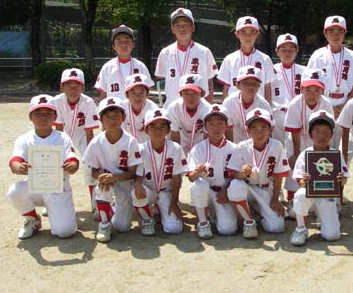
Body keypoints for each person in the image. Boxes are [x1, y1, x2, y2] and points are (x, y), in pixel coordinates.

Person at [7, 95, 78, 239]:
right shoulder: (24, 138)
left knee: (65, 232)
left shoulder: (62, 137)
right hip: (35, 186)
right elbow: (14, 161)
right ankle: (33, 219)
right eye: (38, 113)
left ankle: (55, 211)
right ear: (30, 117)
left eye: (48, 113)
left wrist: (72, 165)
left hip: (58, 188)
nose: (43, 117)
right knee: (14, 191)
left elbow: (72, 159)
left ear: (55, 117)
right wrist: (18, 167)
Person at [83, 97, 142, 242]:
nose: (112, 120)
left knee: (122, 227)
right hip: (106, 182)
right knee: (103, 188)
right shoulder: (96, 142)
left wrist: (115, 177)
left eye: (116, 116)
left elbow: (132, 172)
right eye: (107, 117)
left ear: (123, 117)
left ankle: (113, 209)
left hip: (124, 183)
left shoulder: (131, 141)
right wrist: (100, 177)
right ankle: (104, 224)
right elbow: (93, 169)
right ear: (101, 120)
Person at [226, 109, 290, 239]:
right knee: (235, 185)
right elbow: (233, 174)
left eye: (263, 128)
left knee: (276, 227)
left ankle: (257, 210)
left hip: (266, 188)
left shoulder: (277, 146)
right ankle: (249, 222)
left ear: (271, 129)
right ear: (248, 130)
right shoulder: (242, 147)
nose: (259, 133)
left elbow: (279, 175)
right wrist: (241, 174)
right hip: (248, 187)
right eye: (254, 129)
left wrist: (275, 198)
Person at [289, 111, 349, 246]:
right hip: (310, 194)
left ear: (332, 134)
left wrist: (341, 180)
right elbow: (298, 178)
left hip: (327, 194)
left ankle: (323, 219)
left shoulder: (336, 154)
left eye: (326, 132)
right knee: (300, 194)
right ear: (310, 134)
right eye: (317, 132)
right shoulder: (305, 154)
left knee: (332, 236)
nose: (322, 136)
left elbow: (344, 178)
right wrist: (303, 181)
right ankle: (301, 228)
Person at [283, 68, 333, 215]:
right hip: (297, 138)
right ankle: (292, 199)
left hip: (318, 138)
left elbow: (328, 129)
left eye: (317, 90)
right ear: (301, 89)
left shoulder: (326, 103)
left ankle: (322, 198)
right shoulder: (295, 103)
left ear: (322, 90)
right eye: (308, 90)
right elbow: (294, 130)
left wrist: (323, 149)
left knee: (320, 166)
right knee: (295, 166)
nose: (312, 94)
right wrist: (296, 154)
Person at [131, 108, 187, 236]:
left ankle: (161, 209)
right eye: (153, 126)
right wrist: (137, 184)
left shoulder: (176, 148)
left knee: (174, 229)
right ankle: (146, 219)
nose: (158, 130)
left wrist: (174, 202)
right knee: (135, 192)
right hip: (148, 190)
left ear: (168, 130)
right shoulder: (140, 149)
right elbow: (138, 175)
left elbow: (177, 177)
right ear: (146, 130)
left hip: (166, 191)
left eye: (162, 126)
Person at [53, 68, 100, 219]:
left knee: (90, 165)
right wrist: (60, 150)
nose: (73, 90)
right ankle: (53, 202)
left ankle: (96, 202)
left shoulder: (88, 102)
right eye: (69, 85)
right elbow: (58, 128)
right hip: (63, 135)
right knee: (58, 165)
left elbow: (89, 130)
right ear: (61, 87)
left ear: (83, 87)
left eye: (77, 86)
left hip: (82, 136)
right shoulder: (57, 101)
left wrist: (90, 153)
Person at [187, 104, 237, 239]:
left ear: (227, 126)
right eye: (211, 124)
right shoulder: (198, 148)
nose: (216, 128)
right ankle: (203, 222)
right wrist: (196, 173)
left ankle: (214, 213)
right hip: (207, 191)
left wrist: (227, 191)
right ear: (205, 127)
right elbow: (190, 177)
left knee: (228, 230)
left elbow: (238, 176)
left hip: (223, 193)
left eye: (220, 123)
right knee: (199, 185)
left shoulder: (235, 148)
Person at [154, 8, 218, 106]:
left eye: (186, 25)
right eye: (178, 25)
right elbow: (160, 76)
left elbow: (210, 82)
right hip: (172, 106)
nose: (182, 28)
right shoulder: (165, 53)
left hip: (199, 106)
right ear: (172, 29)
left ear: (193, 27)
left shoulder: (204, 52)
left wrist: (209, 106)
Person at [307, 15, 353, 119]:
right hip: (322, 103)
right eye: (331, 31)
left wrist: (346, 105)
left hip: (347, 103)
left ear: (345, 33)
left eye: (340, 31)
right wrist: (327, 106)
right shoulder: (318, 55)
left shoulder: (352, 56)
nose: (336, 35)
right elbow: (310, 84)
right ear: (325, 33)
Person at [217, 16, 277, 105]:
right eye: (243, 32)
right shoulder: (229, 59)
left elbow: (267, 88)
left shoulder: (265, 59)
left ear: (257, 34)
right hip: (235, 106)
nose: (248, 36)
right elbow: (226, 88)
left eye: (252, 32)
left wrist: (268, 110)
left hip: (258, 106)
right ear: (237, 34)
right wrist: (224, 109)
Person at [94, 24, 154, 100]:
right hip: (115, 107)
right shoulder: (107, 67)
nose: (123, 45)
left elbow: (148, 92)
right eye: (119, 42)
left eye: (127, 41)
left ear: (133, 44)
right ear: (113, 46)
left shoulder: (140, 66)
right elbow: (103, 94)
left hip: (136, 106)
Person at [270, 33, 305, 145]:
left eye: (291, 49)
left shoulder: (304, 71)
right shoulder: (271, 70)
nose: (287, 53)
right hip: (278, 113)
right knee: (276, 147)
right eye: (283, 49)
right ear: (277, 51)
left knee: (296, 147)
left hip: (297, 114)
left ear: (297, 51)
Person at [222, 65, 271, 143]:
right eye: (246, 83)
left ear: (259, 86)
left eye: (254, 84)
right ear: (237, 85)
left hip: (256, 145)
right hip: (235, 144)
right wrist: (231, 148)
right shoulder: (229, 102)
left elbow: (268, 131)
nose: (250, 87)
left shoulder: (264, 104)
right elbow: (227, 130)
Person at [165, 74, 212, 155]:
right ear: (180, 94)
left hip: (200, 143)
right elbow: (174, 133)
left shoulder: (208, 109)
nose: (190, 97)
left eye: (194, 93)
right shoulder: (174, 108)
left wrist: (204, 154)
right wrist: (178, 154)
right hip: (180, 140)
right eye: (186, 93)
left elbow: (207, 135)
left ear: (201, 94)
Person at [122, 73, 159, 143]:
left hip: (147, 146)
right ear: (127, 95)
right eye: (133, 93)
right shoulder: (121, 108)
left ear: (147, 94)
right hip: (126, 146)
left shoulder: (153, 109)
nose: (137, 97)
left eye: (141, 93)